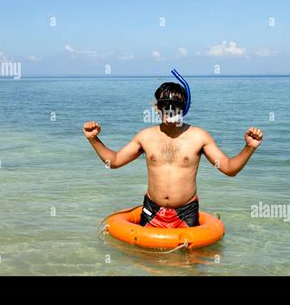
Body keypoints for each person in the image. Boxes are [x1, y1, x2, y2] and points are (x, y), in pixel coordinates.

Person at [84, 80, 263, 228]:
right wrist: (94, 139)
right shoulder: (145, 137)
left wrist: (249, 147)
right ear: (156, 107)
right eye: (164, 105)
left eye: (176, 105)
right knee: (148, 265)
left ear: (184, 108)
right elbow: (113, 161)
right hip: (151, 210)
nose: (170, 109)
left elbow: (229, 169)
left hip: (186, 212)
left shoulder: (199, 137)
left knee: (189, 267)